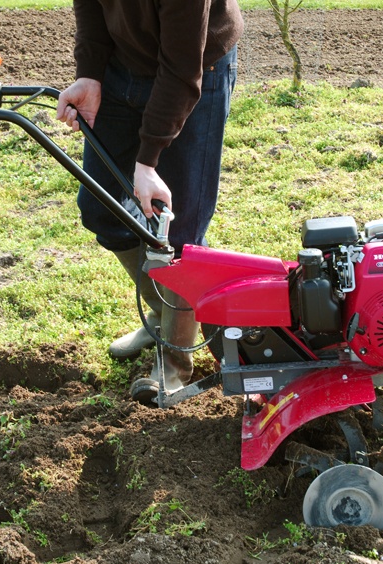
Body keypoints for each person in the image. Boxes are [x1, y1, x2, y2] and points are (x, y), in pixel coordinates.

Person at [56, 1, 243, 399]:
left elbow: (180, 71)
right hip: (122, 68)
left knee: (179, 231)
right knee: (103, 210)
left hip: (196, 70)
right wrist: (89, 74)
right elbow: (90, 7)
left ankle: (174, 361)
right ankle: (163, 314)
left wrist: (147, 161)